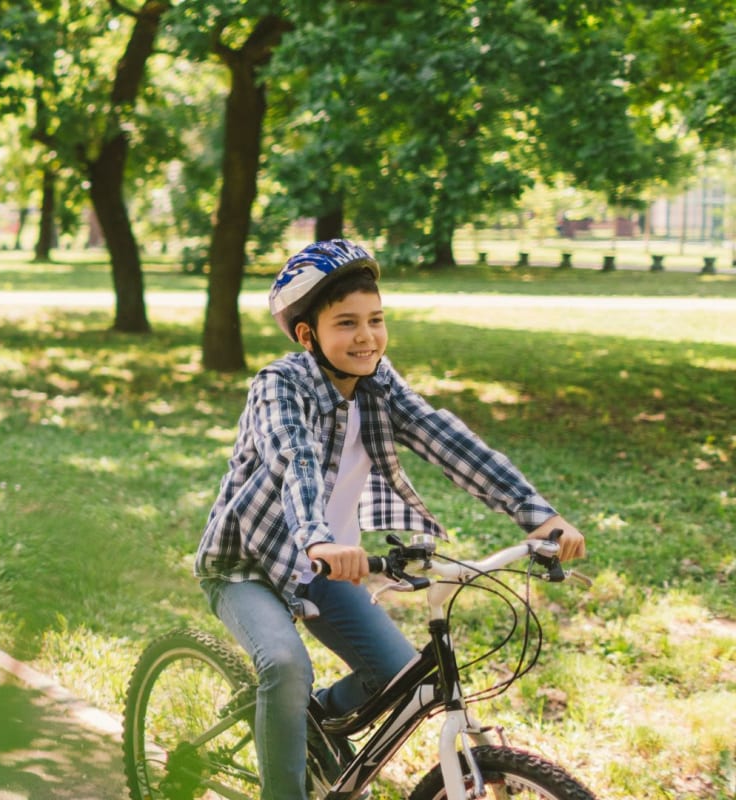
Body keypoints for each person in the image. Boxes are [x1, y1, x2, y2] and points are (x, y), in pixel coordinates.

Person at [193, 239, 588, 799]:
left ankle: (307, 727)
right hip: (247, 565)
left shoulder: (379, 383)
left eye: (376, 320)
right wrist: (319, 539)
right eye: (347, 323)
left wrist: (537, 516)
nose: (366, 337)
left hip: (324, 568)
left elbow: (448, 441)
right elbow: (293, 460)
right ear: (308, 336)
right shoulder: (278, 386)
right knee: (285, 664)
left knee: (401, 677)